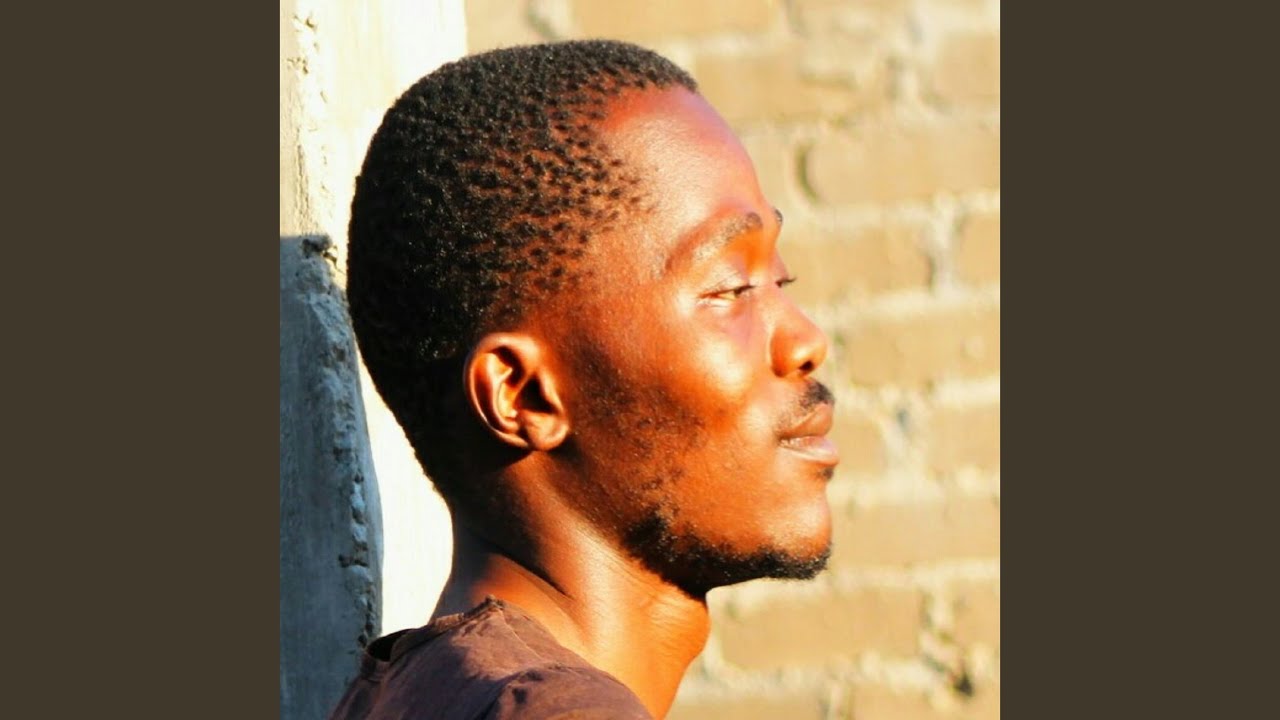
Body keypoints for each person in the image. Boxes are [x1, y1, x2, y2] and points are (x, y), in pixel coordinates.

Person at [330, 39, 839, 720]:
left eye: (781, 278)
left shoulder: (414, 694)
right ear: (524, 396)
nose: (806, 341)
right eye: (729, 288)